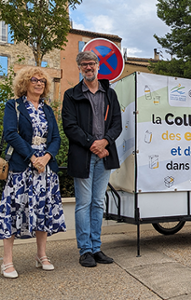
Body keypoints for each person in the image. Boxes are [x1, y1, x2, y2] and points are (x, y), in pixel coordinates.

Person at [0, 66, 66, 279]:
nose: (39, 83)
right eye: (34, 80)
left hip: (44, 170)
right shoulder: (14, 106)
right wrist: (32, 157)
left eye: (43, 81)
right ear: (24, 83)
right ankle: (7, 261)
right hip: (21, 167)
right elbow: (10, 133)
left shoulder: (47, 109)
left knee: (43, 210)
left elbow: (56, 137)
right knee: (13, 211)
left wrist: (46, 158)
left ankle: (41, 255)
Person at [62, 51, 122, 267]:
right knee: (83, 204)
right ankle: (85, 250)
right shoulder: (71, 95)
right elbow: (70, 127)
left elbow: (117, 123)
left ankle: (96, 248)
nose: (88, 68)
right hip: (83, 156)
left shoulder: (109, 93)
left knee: (97, 203)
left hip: (105, 155)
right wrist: (93, 145)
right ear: (79, 68)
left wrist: (105, 141)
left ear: (98, 66)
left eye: (92, 64)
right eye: (84, 65)